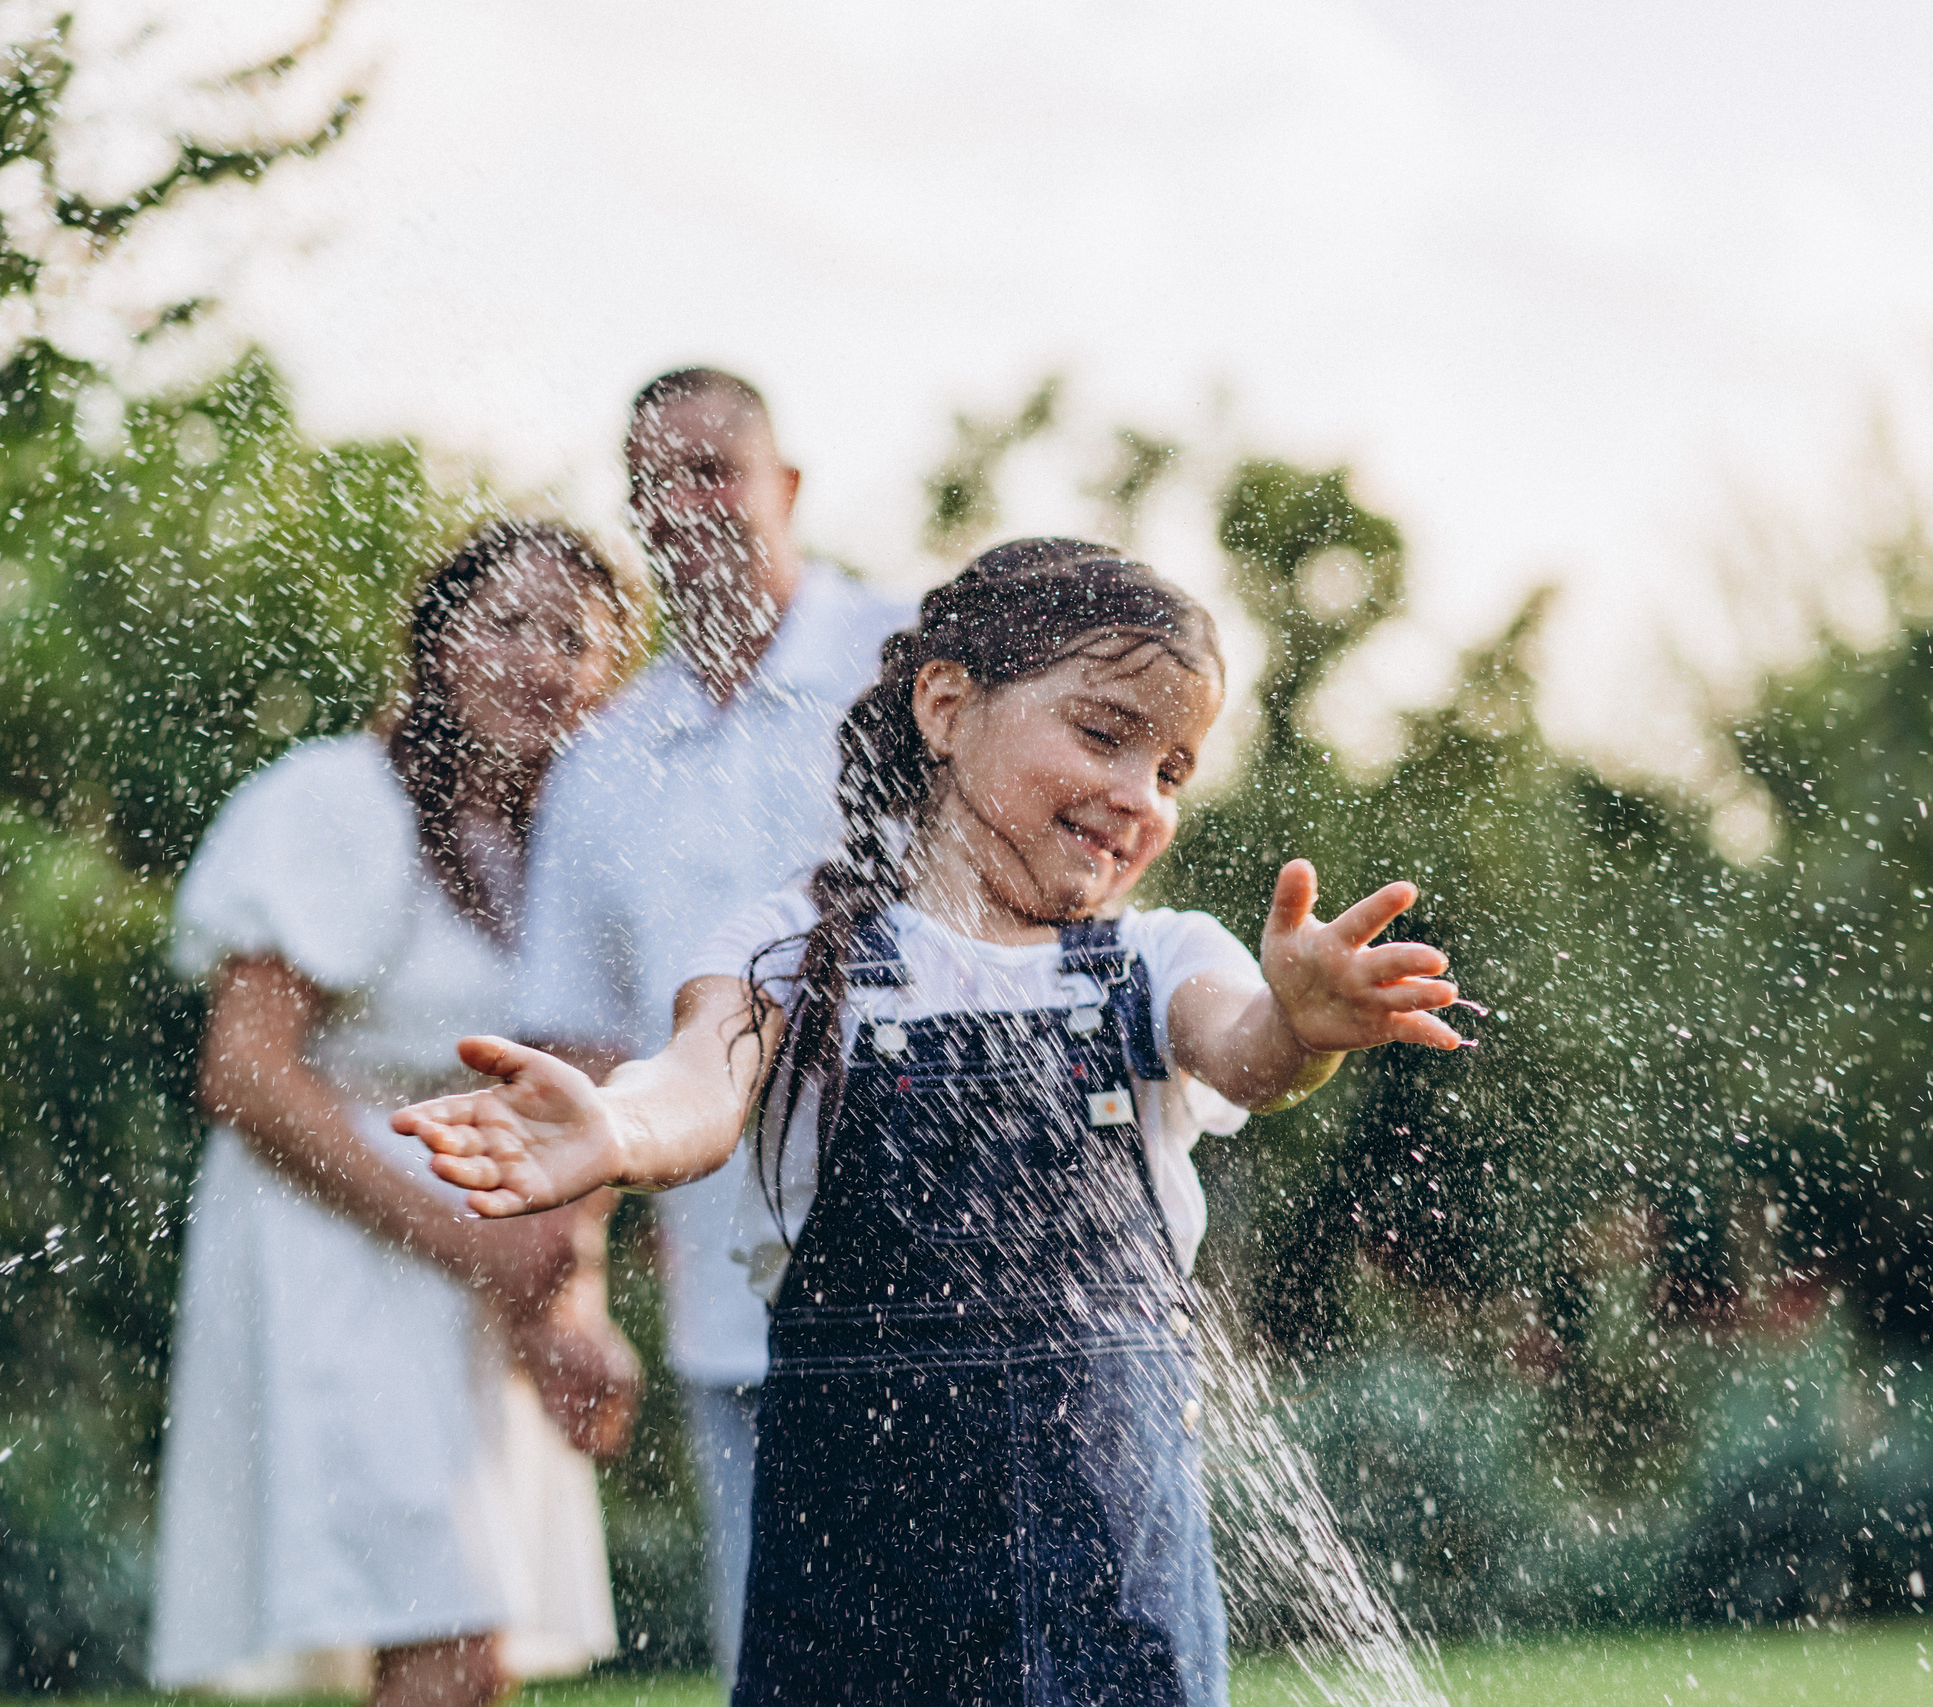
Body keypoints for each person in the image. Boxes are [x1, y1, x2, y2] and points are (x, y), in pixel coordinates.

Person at [398, 539, 1468, 1705]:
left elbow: (1243, 1052)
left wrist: (1300, 1026)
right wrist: (612, 1128)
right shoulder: (795, 951)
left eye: (1172, 770)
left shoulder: (1157, 960)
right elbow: (699, 1084)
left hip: (1108, 1551)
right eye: (1103, 735)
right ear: (948, 706)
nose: (1136, 796)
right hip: (860, 1561)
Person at [150, 521, 640, 1706]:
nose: (539, 660)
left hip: (488, 1254)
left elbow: (583, 1092)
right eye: (507, 623)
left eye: (571, 639)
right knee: (442, 1633)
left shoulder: (561, 848)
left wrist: (563, 1302)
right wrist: (480, 1249)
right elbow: (248, 1074)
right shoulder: (333, 798)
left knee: (478, 1657)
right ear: (436, 643)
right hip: (342, 1245)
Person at [514, 367, 911, 1676]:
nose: (685, 504)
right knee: (782, 1664)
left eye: (712, 470)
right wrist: (567, 1287)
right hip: (741, 1301)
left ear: (784, 487)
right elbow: (573, 1052)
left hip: (960, 1283)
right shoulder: (601, 764)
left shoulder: (912, 661)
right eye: (656, 483)